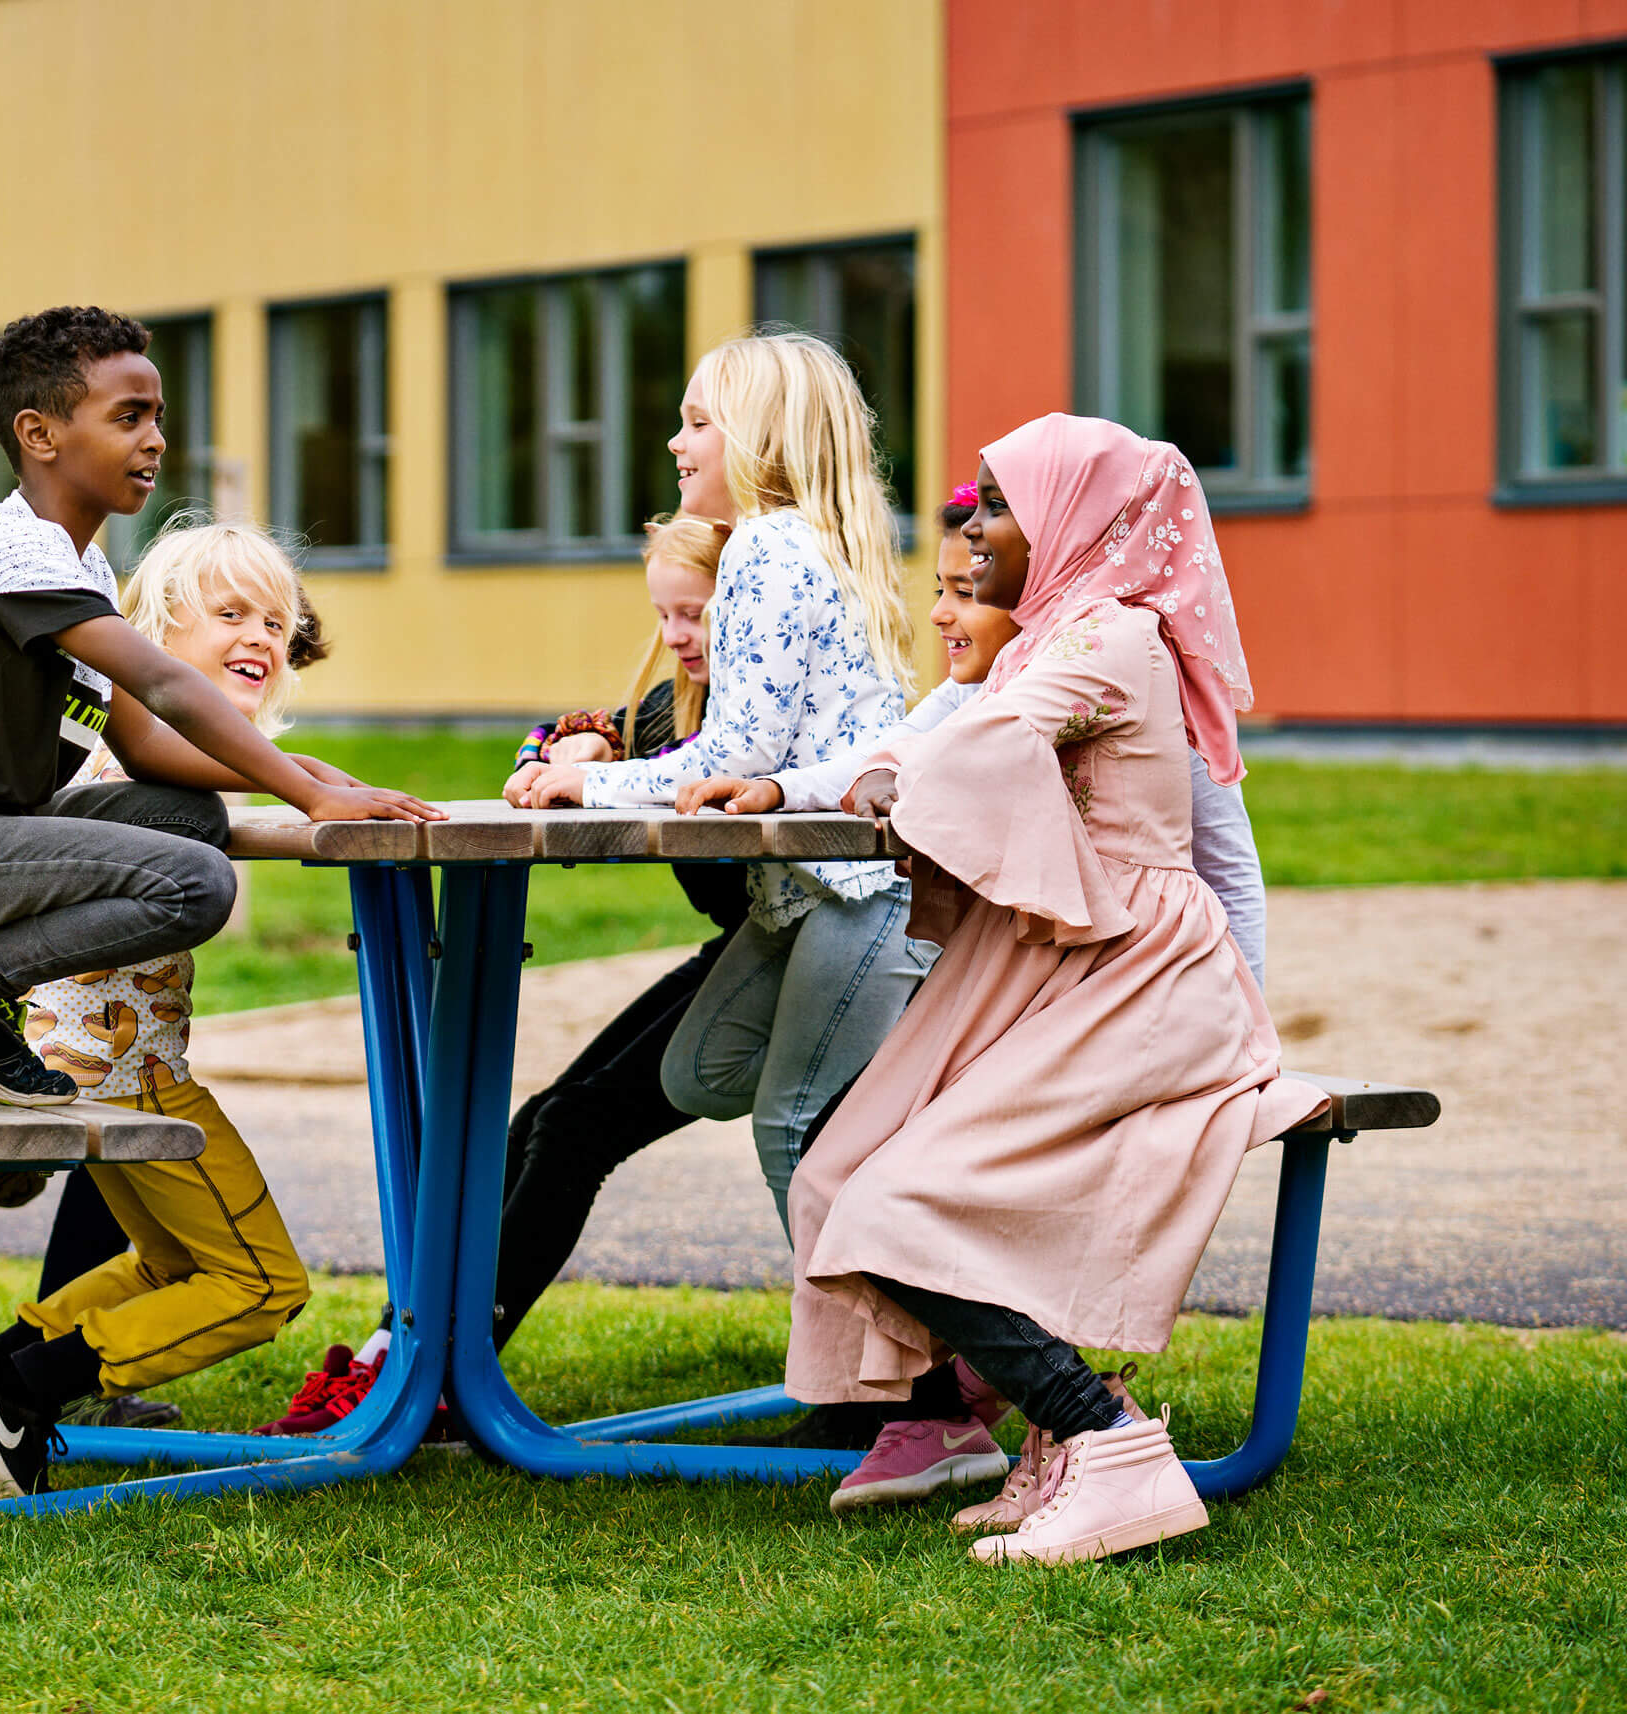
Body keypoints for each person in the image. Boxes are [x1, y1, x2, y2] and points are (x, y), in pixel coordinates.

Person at [779, 414, 1326, 1566]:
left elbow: (983, 748)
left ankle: (1107, 1438)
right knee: (839, 1173)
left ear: (1082, 521)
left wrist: (897, 778)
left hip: (1133, 978)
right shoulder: (1053, 635)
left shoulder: (1115, 641)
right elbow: (957, 735)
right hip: (1055, 964)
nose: (977, 524)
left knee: (900, 1204)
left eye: (1002, 502)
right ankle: (1051, 1441)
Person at [0, 303, 434, 1122]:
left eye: (159, 418)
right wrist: (309, 798)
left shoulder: (84, 569)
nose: (156, 441)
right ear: (40, 435)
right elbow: (171, 688)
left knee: (187, 821)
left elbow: (142, 744)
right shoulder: (14, 550)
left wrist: (307, 774)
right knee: (196, 884)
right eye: (129, 418)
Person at [252, 513, 745, 1435]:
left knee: (570, 1130)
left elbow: (689, 774)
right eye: (664, 618)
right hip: (743, 950)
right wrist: (567, 753)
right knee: (536, 1121)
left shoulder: (753, 711)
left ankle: (435, 1370)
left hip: (793, 959)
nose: (678, 638)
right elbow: (557, 734)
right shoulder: (673, 704)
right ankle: (410, 1356)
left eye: (697, 615)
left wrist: (595, 769)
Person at [0, 519, 338, 1497]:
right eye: (231, 614)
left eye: (277, 622)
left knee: (166, 1264)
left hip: (92, 1064)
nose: (262, 636)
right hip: (130, 1076)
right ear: (154, 639)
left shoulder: (141, 759)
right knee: (261, 1285)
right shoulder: (141, 763)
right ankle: (23, 1391)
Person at [511, 330, 925, 1237]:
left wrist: (586, 788)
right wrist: (581, 758)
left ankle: (889, 1370)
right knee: (696, 1071)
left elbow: (732, 754)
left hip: (854, 894)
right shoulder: (808, 544)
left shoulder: (768, 550)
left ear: (763, 442)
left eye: (698, 422)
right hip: (806, 896)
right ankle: (883, 1125)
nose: (675, 441)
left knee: (791, 1132)